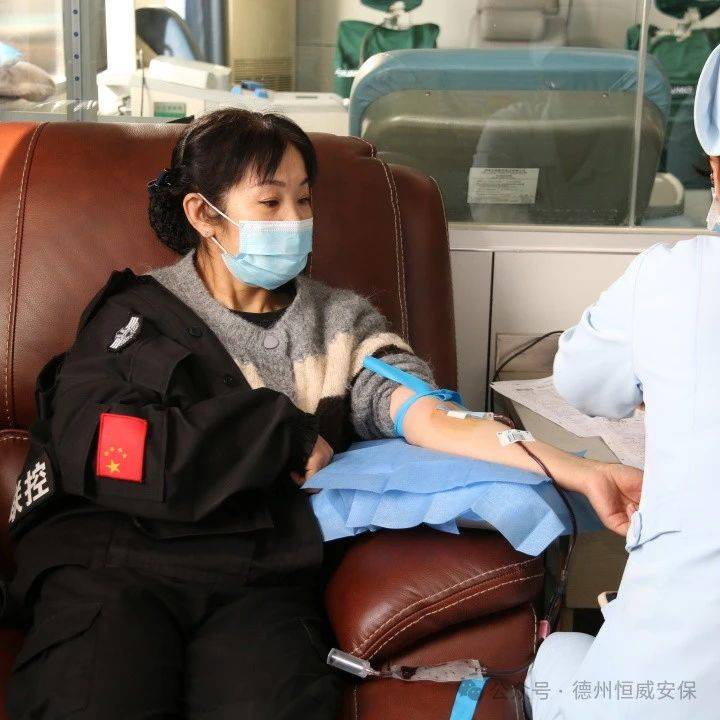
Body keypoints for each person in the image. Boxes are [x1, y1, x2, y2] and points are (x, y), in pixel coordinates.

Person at [5, 108, 640, 720]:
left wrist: (580, 472)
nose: (295, 220)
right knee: (92, 697)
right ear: (202, 214)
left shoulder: (339, 324)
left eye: (304, 199)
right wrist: (276, 433)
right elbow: (111, 447)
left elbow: (430, 418)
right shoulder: (138, 316)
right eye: (269, 201)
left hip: (257, 574)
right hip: (116, 562)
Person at [522, 43, 720, 720]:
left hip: (663, 693)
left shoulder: (671, 276)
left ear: (713, 162)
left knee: (556, 660)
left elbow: (583, 384)